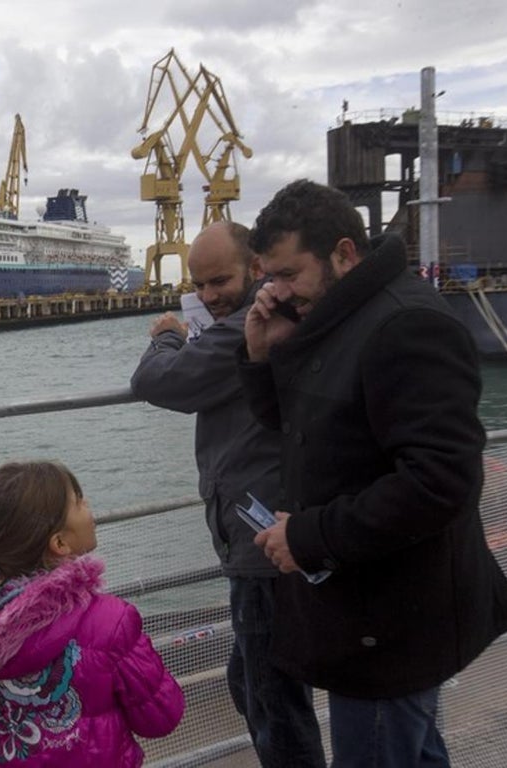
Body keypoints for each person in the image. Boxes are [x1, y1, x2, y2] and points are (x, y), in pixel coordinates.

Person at [239, 179, 507, 767]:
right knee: (416, 755)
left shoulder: (405, 323)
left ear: (344, 253)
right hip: (372, 608)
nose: (277, 290)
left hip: (390, 620)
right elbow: (299, 427)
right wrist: (265, 353)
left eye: (289, 274)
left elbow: (441, 480)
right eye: (269, 277)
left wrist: (308, 538)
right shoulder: (343, 314)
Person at [130, 221, 326, 767]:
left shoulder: (244, 327)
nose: (210, 296)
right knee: (255, 680)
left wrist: (167, 336)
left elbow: (154, 382)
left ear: (256, 268)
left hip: (260, 542)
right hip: (263, 531)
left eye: (221, 280)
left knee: (272, 703)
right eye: (201, 285)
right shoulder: (258, 322)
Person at [0, 460, 184, 766]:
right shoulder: (110, 621)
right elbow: (159, 717)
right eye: (79, 501)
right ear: (60, 543)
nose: (88, 504)